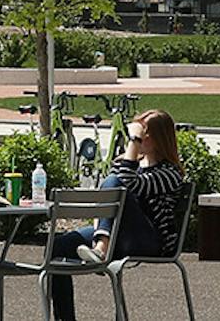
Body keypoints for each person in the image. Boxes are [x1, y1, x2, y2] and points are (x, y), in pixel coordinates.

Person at [50, 108, 183, 321]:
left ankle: (101, 247)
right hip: (120, 235)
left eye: (144, 134)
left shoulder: (169, 173)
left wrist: (133, 143)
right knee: (57, 247)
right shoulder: (135, 166)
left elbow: (129, 183)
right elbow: (116, 185)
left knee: (115, 184)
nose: (140, 139)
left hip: (151, 241)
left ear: (160, 138)